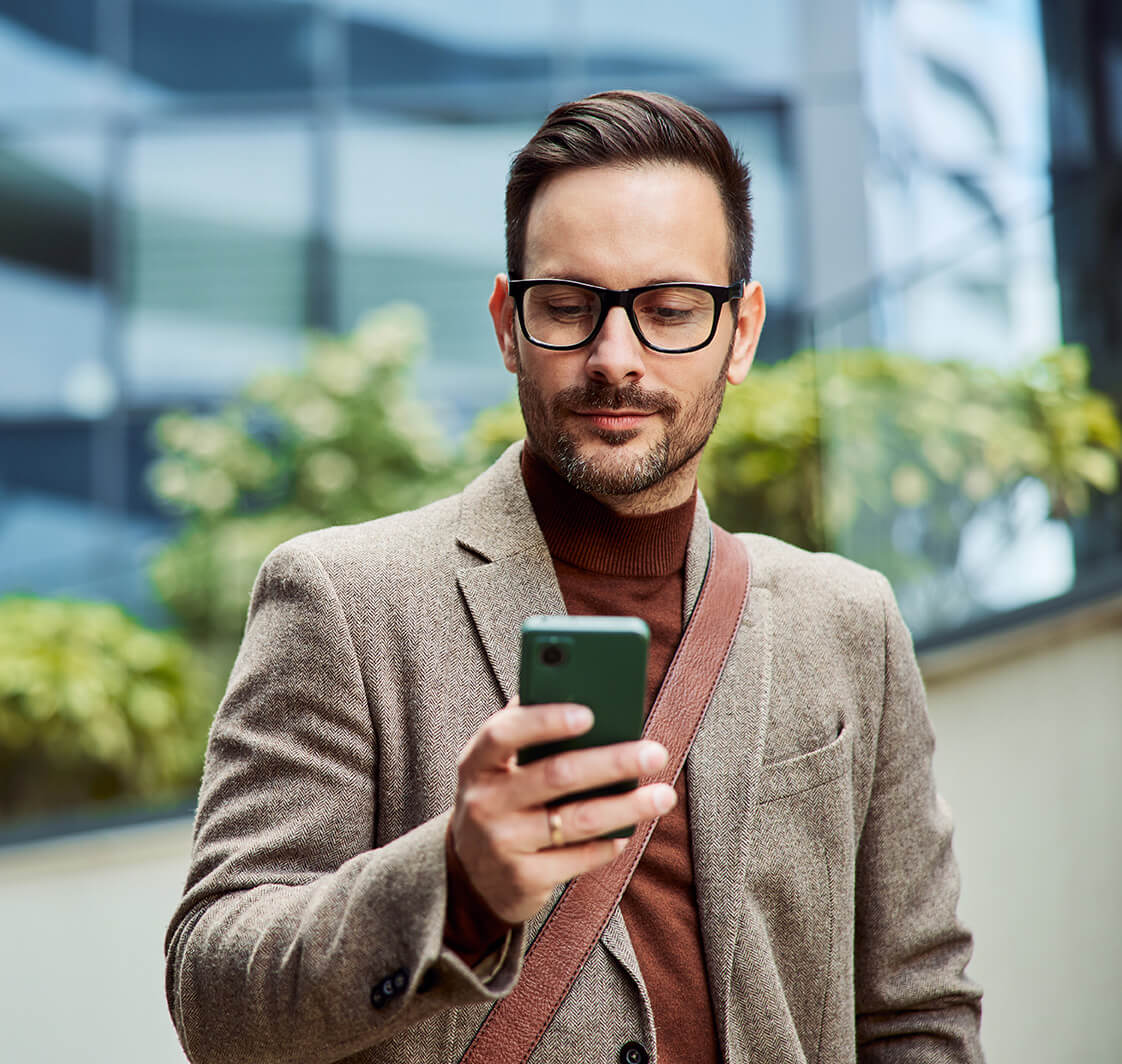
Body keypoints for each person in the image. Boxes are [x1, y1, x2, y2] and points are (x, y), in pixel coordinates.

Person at [165, 90, 983, 1064]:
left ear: (744, 330)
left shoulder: (850, 619)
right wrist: (457, 883)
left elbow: (918, 1006)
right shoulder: (341, 596)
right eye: (569, 307)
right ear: (509, 323)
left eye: (670, 309)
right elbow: (214, 995)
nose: (615, 357)